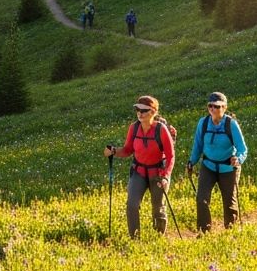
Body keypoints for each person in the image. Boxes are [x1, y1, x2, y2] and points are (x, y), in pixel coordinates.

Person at [104, 95, 174, 237]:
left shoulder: (161, 130)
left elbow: (171, 156)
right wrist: (114, 151)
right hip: (139, 172)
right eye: (137, 109)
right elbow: (128, 150)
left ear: (153, 112)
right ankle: (134, 239)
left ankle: (158, 237)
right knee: (132, 205)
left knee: (158, 208)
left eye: (143, 110)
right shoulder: (134, 128)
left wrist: (166, 176)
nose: (139, 113)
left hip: (158, 174)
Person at [187, 92, 248, 230]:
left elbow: (242, 149)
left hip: (228, 168)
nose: (213, 109)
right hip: (208, 166)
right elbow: (197, 146)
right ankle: (204, 232)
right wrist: (191, 161)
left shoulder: (231, 124)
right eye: (210, 106)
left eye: (217, 106)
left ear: (224, 108)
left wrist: (238, 159)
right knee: (201, 199)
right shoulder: (203, 123)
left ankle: (230, 231)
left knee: (229, 202)